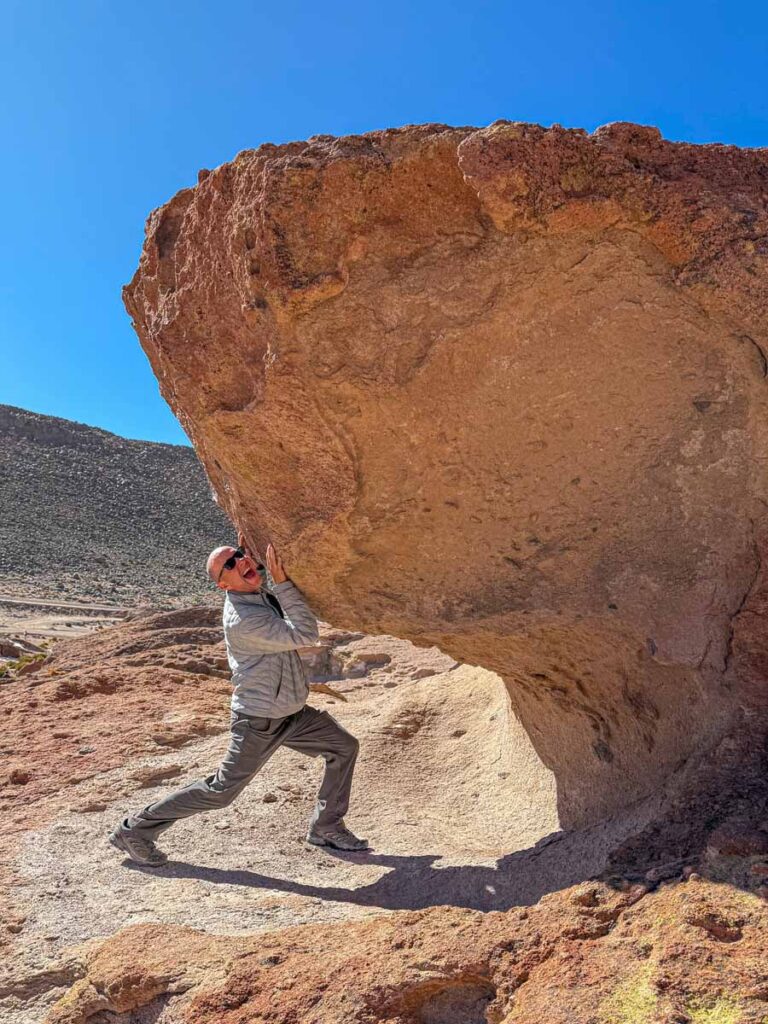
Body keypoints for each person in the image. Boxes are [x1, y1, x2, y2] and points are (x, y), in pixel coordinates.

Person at [108, 535, 368, 866]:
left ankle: (326, 826)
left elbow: (255, 568)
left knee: (343, 746)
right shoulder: (244, 620)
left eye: (240, 556)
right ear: (222, 584)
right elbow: (305, 635)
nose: (241, 562)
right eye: (230, 565)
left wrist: (252, 551)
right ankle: (135, 829)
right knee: (220, 792)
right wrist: (283, 583)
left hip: (292, 714)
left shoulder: (252, 592)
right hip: (259, 720)